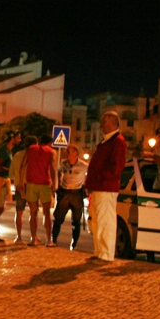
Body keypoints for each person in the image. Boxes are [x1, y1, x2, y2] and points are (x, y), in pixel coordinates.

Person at [84, 111, 126, 262]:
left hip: (106, 187)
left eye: (104, 122)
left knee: (105, 221)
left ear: (112, 123)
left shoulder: (117, 141)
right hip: (99, 186)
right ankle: (99, 251)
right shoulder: (107, 141)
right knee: (97, 221)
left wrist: (100, 177)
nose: (101, 125)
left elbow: (116, 166)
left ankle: (106, 254)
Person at [19, 134, 57, 247]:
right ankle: (49, 240)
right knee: (46, 213)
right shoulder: (51, 151)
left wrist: (21, 181)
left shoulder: (31, 149)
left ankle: (33, 239)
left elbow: (23, 165)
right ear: (50, 143)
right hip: (45, 184)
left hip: (31, 183)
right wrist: (54, 184)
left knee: (33, 212)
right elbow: (52, 168)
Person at [52, 144, 88, 250]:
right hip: (65, 192)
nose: (68, 154)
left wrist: (85, 188)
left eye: (70, 152)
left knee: (76, 221)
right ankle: (53, 240)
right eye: (67, 152)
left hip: (76, 193)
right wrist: (58, 186)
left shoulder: (83, 165)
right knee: (57, 219)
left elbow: (88, 176)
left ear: (76, 153)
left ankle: (74, 244)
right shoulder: (63, 164)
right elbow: (58, 174)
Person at [0, 130, 21, 243]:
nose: (20, 140)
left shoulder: (8, 151)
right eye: (18, 137)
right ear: (12, 138)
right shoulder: (4, 151)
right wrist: (11, 171)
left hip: (2, 181)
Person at [9, 135, 38, 244]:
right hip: (31, 186)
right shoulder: (35, 156)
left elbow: (11, 173)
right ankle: (33, 237)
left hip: (19, 186)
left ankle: (19, 236)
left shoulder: (17, 155)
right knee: (33, 212)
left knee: (19, 212)